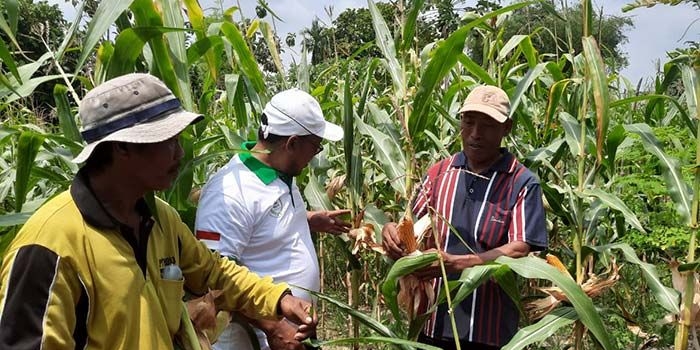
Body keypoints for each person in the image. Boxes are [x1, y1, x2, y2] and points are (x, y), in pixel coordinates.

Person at [0, 73, 316, 350]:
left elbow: (213, 271)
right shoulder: (49, 247)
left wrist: (278, 298)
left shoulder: (159, 219)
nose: (179, 153)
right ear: (121, 147)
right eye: (166, 141)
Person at [382, 85, 548, 350]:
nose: (475, 134)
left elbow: (519, 250)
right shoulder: (440, 173)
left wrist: (458, 264)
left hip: (487, 331)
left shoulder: (522, 183)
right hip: (431, 322)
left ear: (507, 128)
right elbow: (413, 226)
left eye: (487, 125)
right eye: (468, 123)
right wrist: (391, 232)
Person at [194, 88, 351, 350]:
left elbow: (263, 221)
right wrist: (273, 326)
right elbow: (211, 278)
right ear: (291, 143)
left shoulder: (281, 173)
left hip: (289, 337)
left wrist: (309, 219)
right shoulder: (230, 192)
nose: (316, 155)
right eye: (315, 146)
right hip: (255, 341)